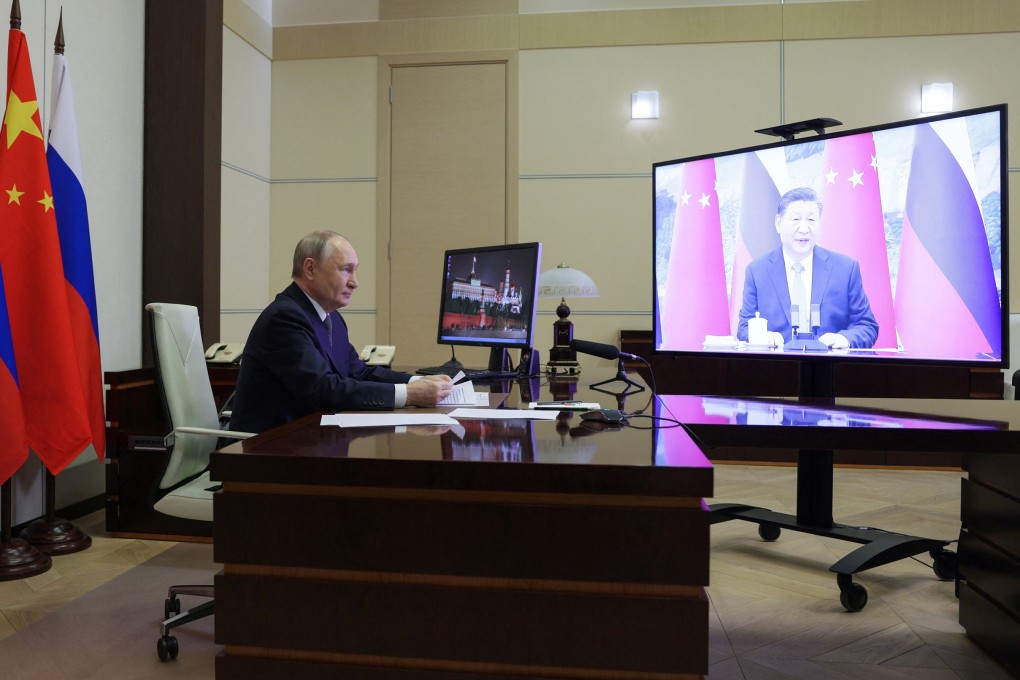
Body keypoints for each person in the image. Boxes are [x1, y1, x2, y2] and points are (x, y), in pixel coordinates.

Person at [230, 230, 453, 433]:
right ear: (310, 268)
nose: (355, 283)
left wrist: (418, 382)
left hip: (311, 441)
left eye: (355, 271)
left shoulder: (332, 318)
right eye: (346, 270)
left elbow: (358, 372)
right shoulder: (284, 318)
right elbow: (322, 390)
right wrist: (410, 395)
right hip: (267, 452)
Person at [736, 187, 878, 349]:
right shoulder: (757, 272)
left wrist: (844, 339)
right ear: (779, 223)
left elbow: (867, 325)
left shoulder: (845, 269)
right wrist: (762, 336)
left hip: (829, 368)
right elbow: (744, 328)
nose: (804, 229)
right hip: (777, 368)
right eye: (796, 220)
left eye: (811, 220)